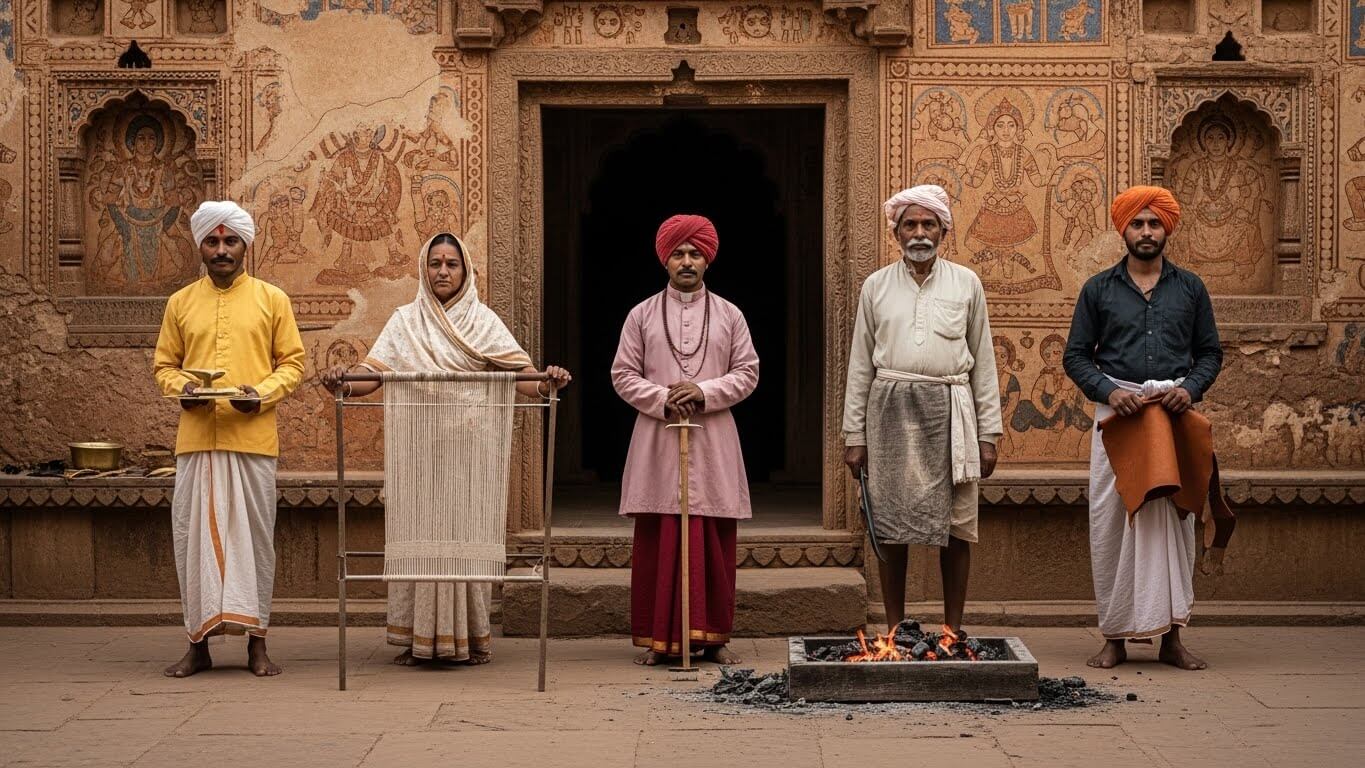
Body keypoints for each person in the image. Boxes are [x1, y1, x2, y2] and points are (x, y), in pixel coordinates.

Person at [321, 233, 571, 665]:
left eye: (451, 264)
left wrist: (548, 381)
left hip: (468, 455)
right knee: (420, 538)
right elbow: (372, 376)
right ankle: (419, 638)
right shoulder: (405, 321)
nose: (442, 272)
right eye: (435, 263)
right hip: (418, 454)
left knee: (462, 541)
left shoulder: (484, 322)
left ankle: (467, 638)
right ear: (424, 269)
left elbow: (522, 376)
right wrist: (343, 381)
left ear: (465, 271)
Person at [1063, 185, 1223, 670]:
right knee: (1112, 523)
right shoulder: (1098, 289)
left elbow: (1211, 353)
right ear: (1124, 229)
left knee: (1176, 522)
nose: (1147, 232)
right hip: (1119, 421)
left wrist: (1189, 389)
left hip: (1171, 420)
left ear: (1166, 228)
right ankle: (1114, 636)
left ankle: (1173, 636)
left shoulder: (1191, 288)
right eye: (1138, 223)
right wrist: (1110, 392)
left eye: (1155, 223)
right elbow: (1075, 356)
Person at [153, 201, 306, 677]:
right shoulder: (180, 303)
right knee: (191, 543)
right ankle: (197, 643)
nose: (221, 250)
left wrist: (259, 395)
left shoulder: (272, 299)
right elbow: (164, 367)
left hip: (253, 439)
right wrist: (186, 391)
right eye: (212, 242)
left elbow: (293, 365)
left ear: (245, 245)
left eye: (230, 241)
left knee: (256, 542)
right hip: (197, 441)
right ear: (200, 245)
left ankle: (257, 642)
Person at [843, 185, 1002, 635]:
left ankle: (952, 631)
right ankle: (894, 630)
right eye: (909, 224)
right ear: (896, 232)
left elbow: (983, 361)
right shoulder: (875, 286)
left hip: (951, 413)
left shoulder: (966, 283)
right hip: (890, 413)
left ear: (943, 231)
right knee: (892, 526)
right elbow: (859, 366)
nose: (919, 233)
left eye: (928, 224)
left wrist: (989, 434)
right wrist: (855, 436)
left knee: (956, 527)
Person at [613, 214, 758, 667]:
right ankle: (660, 640)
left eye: (695, 253)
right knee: (660, 539)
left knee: (713, 539)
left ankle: (714, 638)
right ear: (666, 260)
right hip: (658, 436)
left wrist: (704, 392)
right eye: (679, 253)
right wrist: (663, 398)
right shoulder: (641, 315)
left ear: (707, 259)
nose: (687, 261)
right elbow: (622, 374)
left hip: (713, 437)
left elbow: (748, 372)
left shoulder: (731, 314)